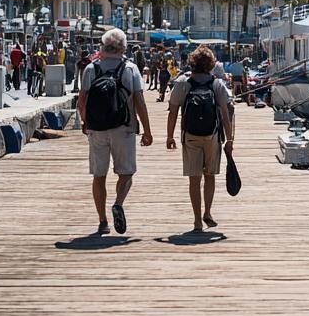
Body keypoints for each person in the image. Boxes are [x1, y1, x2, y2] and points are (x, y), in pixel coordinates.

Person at [77, 28, 152, 235]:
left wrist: (86, 121)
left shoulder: (91, 69)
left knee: (99, 175)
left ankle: (102, 221)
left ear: (103, 46)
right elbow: (139, 101)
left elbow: (81, 100)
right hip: (124, 128)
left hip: (97, 130)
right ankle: (118, 203)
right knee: (126, 173)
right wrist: (147, 130)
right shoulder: (130, 69)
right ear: (124, 47)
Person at [167, 46, 234, 233]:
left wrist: (170, 136)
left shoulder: (182, 83)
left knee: (194, 179)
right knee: (210, 175)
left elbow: (172, 112)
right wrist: (230, 139)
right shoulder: (217, 84)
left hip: (190, 136)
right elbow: (225, 114)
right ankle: (208, 212)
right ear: (211, 64)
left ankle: (197, 220)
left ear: (192, 62)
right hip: (212, 135)